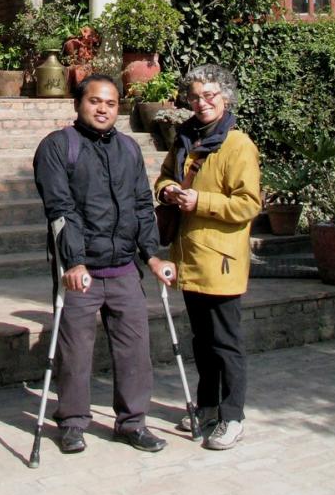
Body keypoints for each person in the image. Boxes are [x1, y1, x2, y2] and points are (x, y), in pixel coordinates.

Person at [33, 74, 175, 455]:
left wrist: (153, 254)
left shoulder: (129, 149)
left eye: (111, 104)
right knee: (75, 351)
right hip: (81, 272)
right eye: (95, 101)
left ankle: (132, 423)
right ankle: (73, 423)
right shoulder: (58, 147)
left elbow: (142, 206)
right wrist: (74, 262)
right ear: (79, 103)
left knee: (135, 351)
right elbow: (60, 209)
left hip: (124, 268)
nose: (102, 109)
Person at [154, 64, 260, 451]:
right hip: (189, 254)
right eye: (195, 96)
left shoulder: (238, 144)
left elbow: (248, 204)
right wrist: (168, 192)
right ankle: (208, 405)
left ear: (225, 97)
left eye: (210, 95)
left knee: (225, 342)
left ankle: (233, 416)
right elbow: (165, 176)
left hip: (222, 259)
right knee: (201, 340)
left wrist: (201, 201)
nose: (201, 103)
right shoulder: (185, 138)